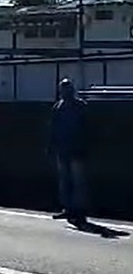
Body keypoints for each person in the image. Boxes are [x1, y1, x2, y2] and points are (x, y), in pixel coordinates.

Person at [48, 78, 91, 224]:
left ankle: (78, 210)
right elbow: (53, 128)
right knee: (65, 180)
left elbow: (86, 128)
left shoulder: (79, 106)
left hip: (76, 148)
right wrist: (52, 145)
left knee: (77, 181)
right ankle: (68, 208)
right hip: (64, 148)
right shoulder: (59, 107)